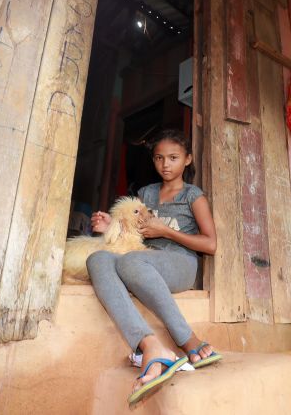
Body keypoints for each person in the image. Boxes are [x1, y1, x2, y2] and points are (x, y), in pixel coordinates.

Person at [87, 129, 220, 405]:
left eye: (173, 157)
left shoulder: (192, 196)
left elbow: (210, 244)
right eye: (159, 158)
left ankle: (188, 340)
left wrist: (166, 232)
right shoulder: (146, 193)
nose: (165, 164)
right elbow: (131, 231)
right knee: (97, 260)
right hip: (140, 259)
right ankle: (150, 346)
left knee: (131, 261)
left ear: (187, 159)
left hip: (181, 264)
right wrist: (110, 227)